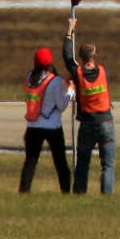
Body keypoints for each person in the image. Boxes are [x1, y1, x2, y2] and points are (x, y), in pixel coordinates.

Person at [63, 17, 115, 194]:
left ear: (81, 57)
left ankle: (79, 192)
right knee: (107, 164)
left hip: (87, 124)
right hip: (106, 122)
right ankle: (107, 196)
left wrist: (69, 30)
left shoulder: (77, 73)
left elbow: (67, 57)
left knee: (83, 162)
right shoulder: (103, 72)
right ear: (95, 56)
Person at [19, 46, 73, 193]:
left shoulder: (29, 77)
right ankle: (66, 191)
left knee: (30, 162)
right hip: (52, 127)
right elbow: (61, 106)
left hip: (33, 126)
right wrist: (70, 91)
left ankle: (24, 191)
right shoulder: (54, 81)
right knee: (60, 162)